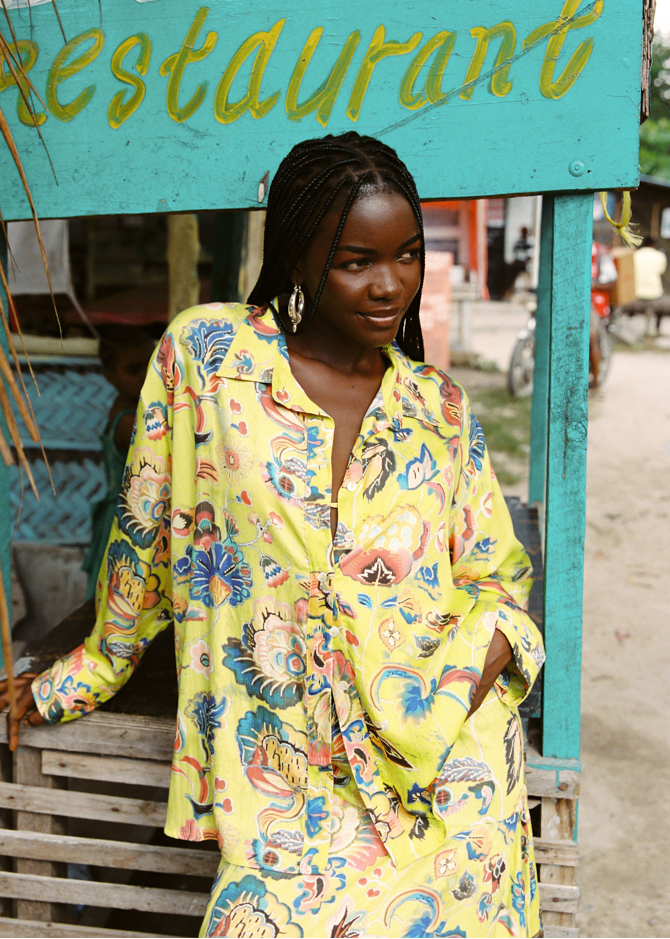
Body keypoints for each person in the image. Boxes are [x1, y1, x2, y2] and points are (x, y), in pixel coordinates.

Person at [0, 133, 544, 938]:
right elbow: (145, 535)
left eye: (406, 254)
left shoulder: (440, 410)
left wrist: (449, 697)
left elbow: (500, 582)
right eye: (356, 259)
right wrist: (65, 682)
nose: (389, 283)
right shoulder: (210, 361)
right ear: (296, 257)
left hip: (446, 774)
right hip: (281, 776)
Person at [81, 325, 156, 601]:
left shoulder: (132, 407)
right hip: (124, 521)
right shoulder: (128, 422)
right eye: (134, 370)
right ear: (110, 376)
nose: (146, 377)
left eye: (152, 366)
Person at [633, 235, 667, 333]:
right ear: (654, 245)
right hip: (654, 294)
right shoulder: (660, 256)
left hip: (636, 292)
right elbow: (661, 273)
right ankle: (657, 329)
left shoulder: (635, 254)